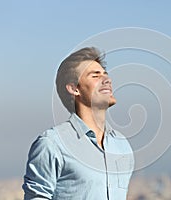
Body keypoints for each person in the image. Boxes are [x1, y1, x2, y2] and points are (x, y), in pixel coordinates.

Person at [22, 47, 134, 200]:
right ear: (74, 89)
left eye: (105, 74)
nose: (107, 80)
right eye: (95, 76)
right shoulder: (53, 144)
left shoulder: (122, 145)